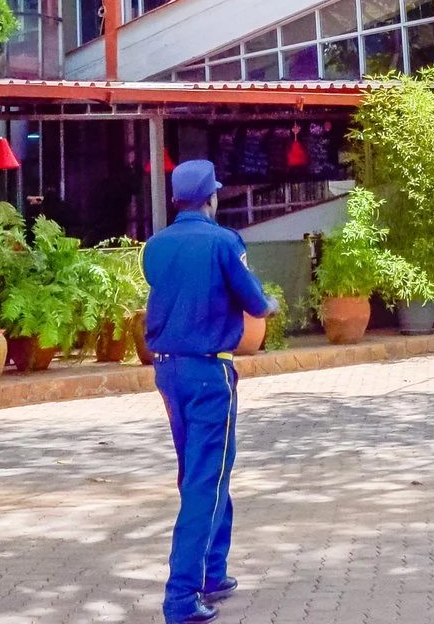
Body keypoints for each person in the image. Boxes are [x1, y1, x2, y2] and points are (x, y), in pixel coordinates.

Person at [142, 160, 272, 623]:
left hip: (167, 372)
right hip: (209, 373)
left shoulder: (155, 246)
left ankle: (212, 571)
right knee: (206, 479)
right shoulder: (223, 242)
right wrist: (269, 302)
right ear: (211, 198)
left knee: (199, 472)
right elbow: (256, 302)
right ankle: (182, 597)